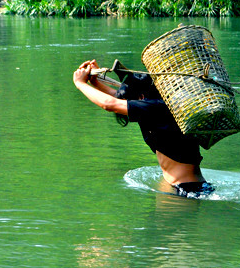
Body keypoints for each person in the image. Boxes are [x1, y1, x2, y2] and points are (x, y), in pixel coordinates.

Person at [73, 59, 214, 199]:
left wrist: (80, 83)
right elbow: (117, 99)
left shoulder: (157, 108)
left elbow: (110, 104)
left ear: (141, 97)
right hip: (180, 185)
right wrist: (95, 82)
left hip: (186, 189)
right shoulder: (155, 107)